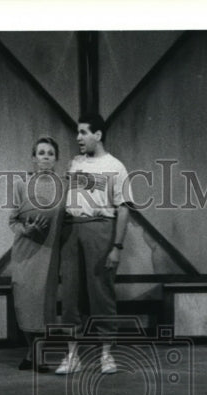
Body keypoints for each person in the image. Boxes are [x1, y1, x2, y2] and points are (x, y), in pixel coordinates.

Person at [54, 112, 132, 375]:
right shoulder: (74, 163)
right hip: (72, 231)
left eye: (83, 132)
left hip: (101, 231)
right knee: (70, 296)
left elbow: (123, 209)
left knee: (101, 294)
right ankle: (72, 355)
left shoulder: (116, 166)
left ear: (98, 135)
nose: (78, 138)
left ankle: (106, 356)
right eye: (77, 133)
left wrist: (117, 247)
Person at [7, 136, 65, 371]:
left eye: (50, 153)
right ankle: (32, 351)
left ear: (56, 158)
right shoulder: (21, 185)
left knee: (44, 307)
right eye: (41, 153)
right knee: (24, 304)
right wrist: (27, 230)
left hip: (49, 254)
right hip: (24, 252)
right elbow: (12, 220)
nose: (46, 157)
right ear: (33, 158)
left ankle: (36, 354)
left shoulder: (64, 185)